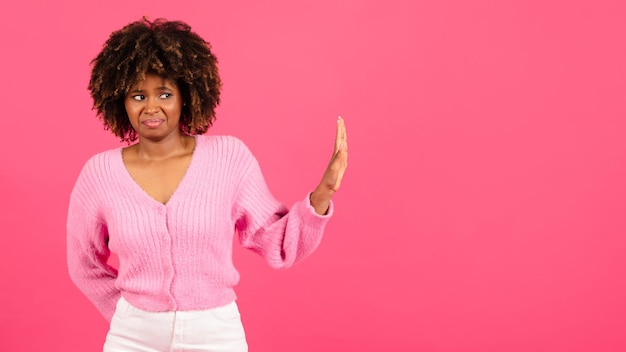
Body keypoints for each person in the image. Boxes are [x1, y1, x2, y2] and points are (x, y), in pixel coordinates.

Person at [66, 17, 348, 352]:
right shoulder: (100, 174)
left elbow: (276, 241)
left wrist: (322, 195)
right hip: (133, 337)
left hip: (215, 334)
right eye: (138, 96)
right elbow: (83, 264)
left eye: (165, 93)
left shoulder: (228, 158)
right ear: (120, 101)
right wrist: (128, 315)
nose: (151, 107)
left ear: (186, 96)